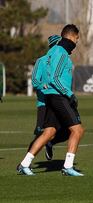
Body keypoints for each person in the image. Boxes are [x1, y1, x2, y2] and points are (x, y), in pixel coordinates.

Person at [17, 24, 84, 176]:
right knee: (77, 130)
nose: (77, 41)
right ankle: (68, 166)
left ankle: (24, 163)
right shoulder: (61, 52)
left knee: (49, 133)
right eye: (77, 38)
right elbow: (54, 77)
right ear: (71, 36)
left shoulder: (51, 53)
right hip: (59, 96)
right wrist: (69, 94)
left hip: (51, 96)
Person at [29, 35, 70, 161]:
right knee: (40, 134)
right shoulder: (41, 61)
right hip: (44, 103)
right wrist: (43, 85)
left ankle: (50, 143)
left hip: (58, 101)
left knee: (68, 131)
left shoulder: (62, 59)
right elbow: (35, 80)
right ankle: (26, 162)